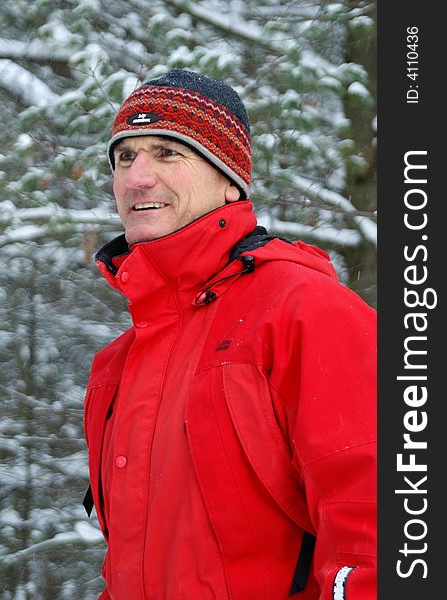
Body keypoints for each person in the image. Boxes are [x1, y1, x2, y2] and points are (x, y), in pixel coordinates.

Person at [82, 68, 376, 600]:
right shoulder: (115, 366)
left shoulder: (305, 311)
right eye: (125, 156)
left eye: (168, 152)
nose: (136, 177)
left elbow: (380, 529)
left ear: (228, 179)